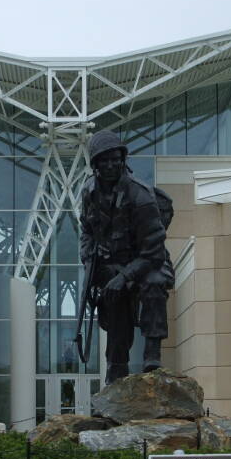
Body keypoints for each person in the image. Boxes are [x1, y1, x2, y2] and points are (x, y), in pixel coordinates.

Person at [79, 129, 173, 385]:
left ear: (123, 160)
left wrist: (126, 276)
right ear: (95, 164)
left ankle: (152, 355)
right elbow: (87, 231)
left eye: (115, 159)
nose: (110, 165)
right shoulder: (89, 193)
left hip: (147, 261)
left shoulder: (139, 195)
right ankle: (116, 366)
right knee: (113, 298)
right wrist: (89, 258)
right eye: (104, 160)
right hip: (113, 263)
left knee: (154, 285)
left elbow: (153, 249)